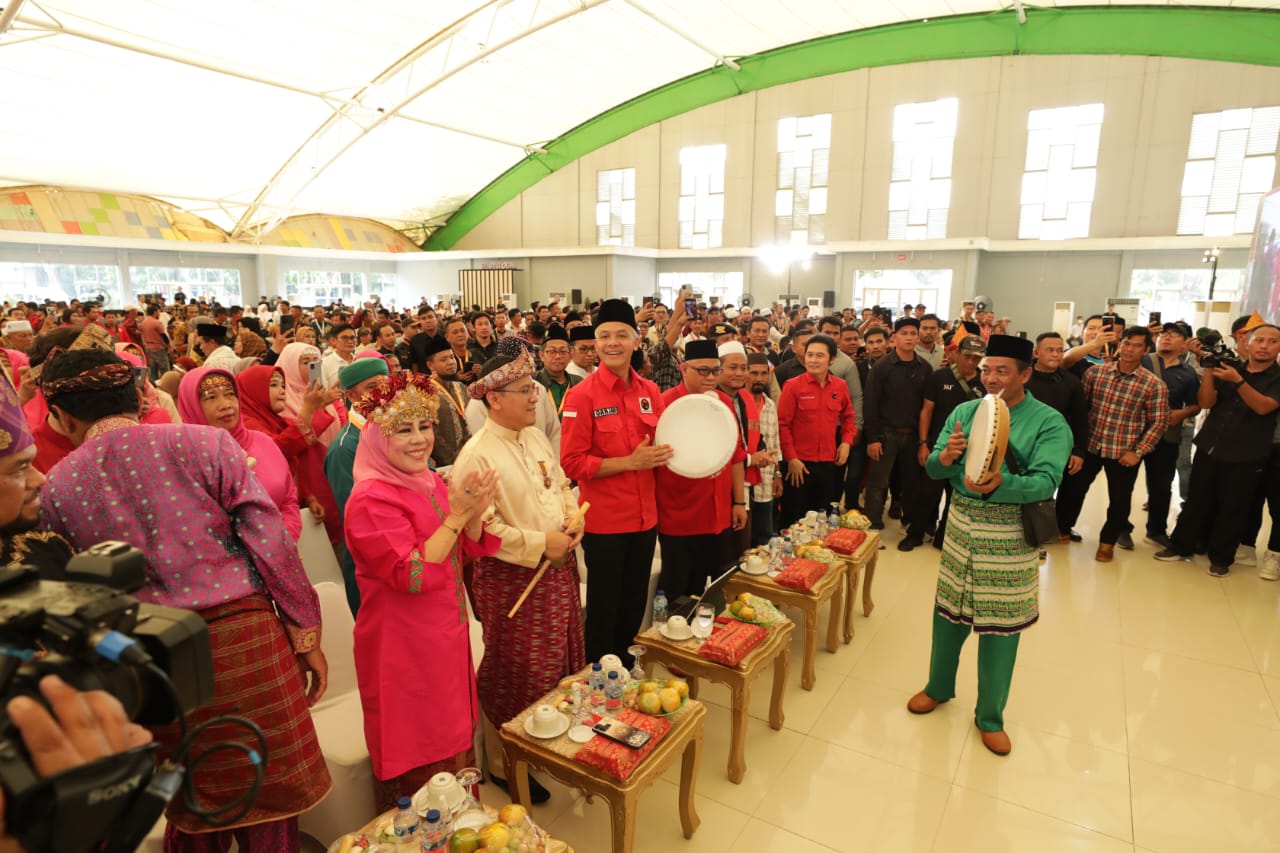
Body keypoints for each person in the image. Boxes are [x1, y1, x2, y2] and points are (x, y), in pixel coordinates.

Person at [36, 348, 330, 852]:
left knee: (197, 801)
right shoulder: (205, 444)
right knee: (271, 796)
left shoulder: (58, 486)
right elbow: (271, 543)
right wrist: (305, 633)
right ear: (137, 394)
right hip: (246, 642)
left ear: (61, 416)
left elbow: (77, 599)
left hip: (155, 659)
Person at [908, 334, 1072, 756]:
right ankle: (938, 687)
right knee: (947, 618)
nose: (991, 378)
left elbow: (1046, 481)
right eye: (986, 370)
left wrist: (1003, 482)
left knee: (1001, 630)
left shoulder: (1049, 421)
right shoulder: (965, 411)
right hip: (962, 529)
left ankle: (990, 716)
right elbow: (932, 467)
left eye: (1002, 370)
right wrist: (945, 458)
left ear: (1025, 374)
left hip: (1010, 537)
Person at [343, 373, 500, 811]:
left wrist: (473, 513)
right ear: (377, 438)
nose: (419, 440)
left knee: (453, 737)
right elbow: (410, 573)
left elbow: (458, 552)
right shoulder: (370, 499)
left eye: (424, 427)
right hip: (402, 648)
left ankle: (461, 829)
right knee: (416, 746)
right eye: (403, 430)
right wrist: (460, 514)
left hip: (444, 634)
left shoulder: (429, 482)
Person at [451, 350, 585, 804]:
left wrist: (573, 519)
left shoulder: (536, 438)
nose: (536, 397)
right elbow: (480, 529)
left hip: (556, 568)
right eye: (526, 390)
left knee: (556, 664)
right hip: (512, 579)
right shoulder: (477, 455)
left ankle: (543, 741)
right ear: (493, 399)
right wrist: (538, 543)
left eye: (534, 388)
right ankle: (504, 762)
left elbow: (562, 486)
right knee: (516, 671)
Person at [560, 299, 669, 664]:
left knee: (634, 604)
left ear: (636, 340)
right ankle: (596, 680)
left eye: (621, 335)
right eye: (604, 335)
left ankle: (622, 672)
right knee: (605, 610)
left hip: (645, 519)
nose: (612, 343)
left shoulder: (650, 393)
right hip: (606, 523)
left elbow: (663, 448)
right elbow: (572, 463)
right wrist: (629, 462)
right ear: (594, 342)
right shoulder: (582, 395)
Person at [1156, 324, 1280, 576]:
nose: (1264, 346)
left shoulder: (1276, 377)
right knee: (1196, 499)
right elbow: (1206, 402)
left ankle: (1221, 558)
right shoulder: (1231, 367)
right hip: (1211, 444)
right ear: (1249, 343)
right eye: (1260, 341)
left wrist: (1239, 381)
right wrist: (1210, 370)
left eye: (1272, 341)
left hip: (1249, 452)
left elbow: (1264, 407)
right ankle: (1181, 546)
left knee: (1234, 507)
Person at [1055, 327, 1168, 562]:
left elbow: (1158, 423)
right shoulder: (1096, 374)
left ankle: (1107, 542)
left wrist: (1138, 452)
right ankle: (1062, 529)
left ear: (1146, 349)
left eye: (1136, 345)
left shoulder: (1153, 384)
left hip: (1123, 451)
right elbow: (1080, 411)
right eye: (1126, 343)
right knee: (1072, 489)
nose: (1129, 349)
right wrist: (1076, 445)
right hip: (1091, 445)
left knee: (1119, 499)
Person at [655, 340, 748, 599]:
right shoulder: (666, 405)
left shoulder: (724, 404)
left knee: (711, 586)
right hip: (679, 513)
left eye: (715, 371)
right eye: (703, 370)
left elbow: (736, 456)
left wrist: (739, 502)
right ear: (684, 369)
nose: (710, 377)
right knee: (676, 588)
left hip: (718, 513)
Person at [177, 367, 302, 541]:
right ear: (192, 405)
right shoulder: (186, 461)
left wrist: (285, 539)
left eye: (229, 394)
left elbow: (288, 499)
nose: (226, 405)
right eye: (211, 397)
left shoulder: (263, 442)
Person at [323, 356, 390, 614]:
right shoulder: (345, 449)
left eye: (386, 384)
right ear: (350, 394)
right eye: (372, 387)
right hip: (373, 566)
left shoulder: (396, 428)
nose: (383, 393)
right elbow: (359, 518)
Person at [863, 317, 932, 548]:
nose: (910, 337)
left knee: (911, 483)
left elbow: (927, 406)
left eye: (914, 333)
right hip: (885, 434)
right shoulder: (883, 367)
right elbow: (870, 404)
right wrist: (873, 439)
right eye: (905, 333)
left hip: (912, 436)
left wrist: (924, 441)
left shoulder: (924, 367)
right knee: (878, 483)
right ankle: (872, 527)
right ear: (894, 337)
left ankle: (909, 523)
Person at [777, 333, 855, 527]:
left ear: (832, 359)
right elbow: (782, 424)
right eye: (809, 355)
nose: (813, 360)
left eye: (819, 356)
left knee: (822, 518)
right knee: (795, 519)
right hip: (798, 465)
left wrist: (846, 442)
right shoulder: (793, 386)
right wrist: (791, 458)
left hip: (828, 464)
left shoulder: (840, 386)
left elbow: (848, 417)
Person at [918, 333, 986, 549]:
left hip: (968, 452)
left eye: (976, 358)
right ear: (956, 353)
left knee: (955, 496)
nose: (971, 362)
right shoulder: (940, 377)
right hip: (939, 448)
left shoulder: (984, 381)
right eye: (967, 356)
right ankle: (916, 533)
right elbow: (926, 411)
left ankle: (943, 537)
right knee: (927, 494)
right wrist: (923, 443)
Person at [1140, 322, 1201, 549]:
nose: (1166, 338)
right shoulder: (1143, 361)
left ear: (1184, 345)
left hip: (1166, 434)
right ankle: (1120, 528)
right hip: (1133, 431)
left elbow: (1196, 404)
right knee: (1122, 484)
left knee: (1161, 485)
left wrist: (1182, 413)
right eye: (1164, 334)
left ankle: (1156, 530)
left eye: (1174, 335)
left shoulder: (1188, 374)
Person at [1024, 332, 1089, 541]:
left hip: (1061, 447)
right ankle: (1030, 531)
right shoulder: (1023, 379)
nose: (1056, 354)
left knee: (1071, 491)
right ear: (1036, 353)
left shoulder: (1071, 383)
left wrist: (1079, 451)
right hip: (1026, 446)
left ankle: (1062, 528)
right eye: (1050, 350)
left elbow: (1080, 419)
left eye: (1060, 350)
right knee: (1030, 490)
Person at [745, 352, 782, 545]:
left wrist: (778, 475)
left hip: (766, 483)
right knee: (743, 540)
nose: (758, 378)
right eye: (753, 373)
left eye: (763, 373)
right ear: (745, 374)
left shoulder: (770, 405)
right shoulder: (738, 404)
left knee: (764, 538)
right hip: (742, 483)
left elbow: (775, 444)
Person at [536, 324, 580, 413]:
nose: (557, 356)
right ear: (541, 355)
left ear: (570, 355)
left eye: (563, 351)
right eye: (551, 351)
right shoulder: (533, 381)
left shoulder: (578, 382)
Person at [139, 304, 170, 381]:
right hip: (158, 348)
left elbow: (142, 336)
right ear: (155, 312)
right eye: (158, 312)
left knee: (153, 369)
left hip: (148, 347)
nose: (159, 314)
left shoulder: (143, 323)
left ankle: (153, 385)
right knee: (164, 369)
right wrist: (169, 346)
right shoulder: (157, 323)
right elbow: (163, 336)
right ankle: (165, 385)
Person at [320, 324, 358, 388]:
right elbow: (322, 393)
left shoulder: (359, 360)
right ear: (333, 340)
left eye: (352, 337)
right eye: (344, 338)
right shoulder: (324, 364)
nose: (350, 341)